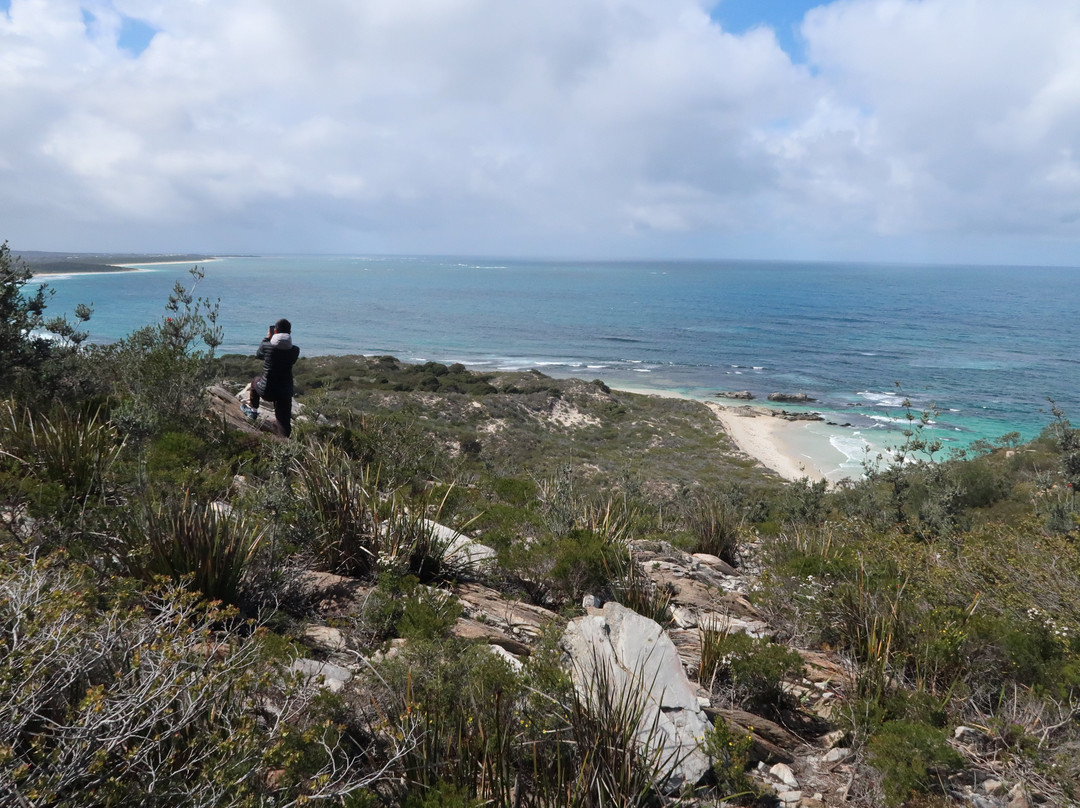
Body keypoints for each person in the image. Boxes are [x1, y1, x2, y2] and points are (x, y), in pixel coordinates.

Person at [246, 318, 300, 437]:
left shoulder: (266, 346)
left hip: (266, 390)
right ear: (290, 333)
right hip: (285, 393)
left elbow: (259, 355)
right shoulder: (295, 350)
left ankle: (253, 411)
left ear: (274, 331)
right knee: (284, 422)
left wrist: (267, 338)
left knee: (255, 381)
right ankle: (285, 445)